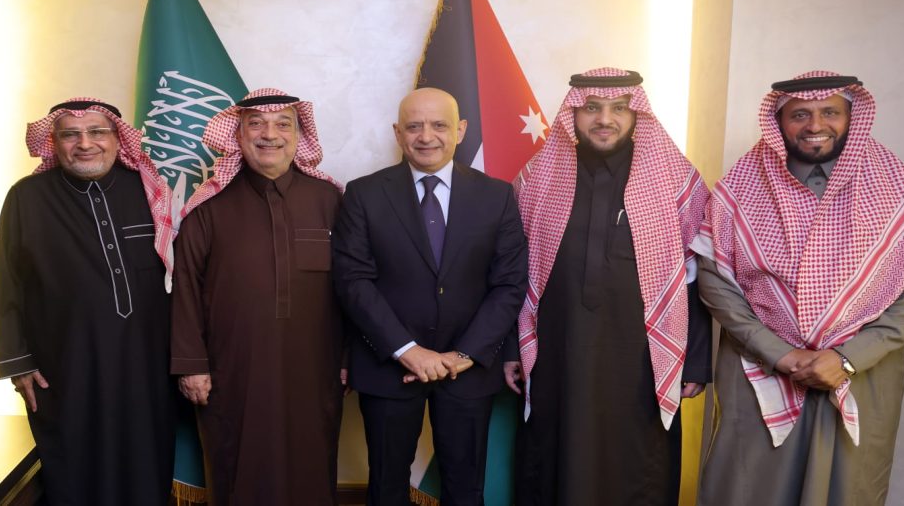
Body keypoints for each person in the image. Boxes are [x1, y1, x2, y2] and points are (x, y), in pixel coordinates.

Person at [692, 71, 904, 506]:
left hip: (863, 375)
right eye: (800, 114)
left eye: (830, 112)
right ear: (779, 121)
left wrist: (848, 358)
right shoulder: (740, 187)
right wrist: (778, 352)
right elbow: (715, 282)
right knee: (749, 489)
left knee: (846, 490)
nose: (815, 125)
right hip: (759, 370)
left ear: (851, 117)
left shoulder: (900, 189)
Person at [510, 68, 712, 505]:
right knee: (553, 456)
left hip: (642, 357)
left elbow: (698, 276)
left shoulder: (675, 180)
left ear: (636, 113)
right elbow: (512, 275)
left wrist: (696, 361)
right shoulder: (538, 179)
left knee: (638, 460)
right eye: (592, 108)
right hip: (557, 352)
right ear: (573, 114)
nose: (605, 119)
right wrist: (511, 350)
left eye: (619, 108)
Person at [333, 87, 528, 506]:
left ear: (460, 130)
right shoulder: (363, 194)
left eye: (439, 125)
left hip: (468, 368)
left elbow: (509, 284)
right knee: (386, 487)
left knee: (465, 488)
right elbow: (353, 281)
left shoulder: (497, 196)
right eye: (414, 126)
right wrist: (408, 351)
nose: (426, 136)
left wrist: (464, 355)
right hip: (387, 365)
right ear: (397, 132)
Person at [0, 98, 176, 505]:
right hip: (66, 367)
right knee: (75, 472)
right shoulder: (26, 198)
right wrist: (18, 363)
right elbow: (6, 284)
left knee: (147, 466)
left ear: (118, 139)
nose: (85, 144)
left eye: (97, 132)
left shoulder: (147, 189)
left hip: (147, 366)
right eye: (70, 135)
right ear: (54, 143)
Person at [171, 88, 345, 505]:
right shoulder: (208, 206)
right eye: (256, 124)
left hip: (316, 368)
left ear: (299, 136)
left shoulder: (330, 200)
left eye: (283, 124)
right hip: (231, 370)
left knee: (312, 465)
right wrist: (192, 365)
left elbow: (353, 287)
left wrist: (349, 358)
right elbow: (185, 287)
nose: (270, 134)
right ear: (238, 134)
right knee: (237, 468)